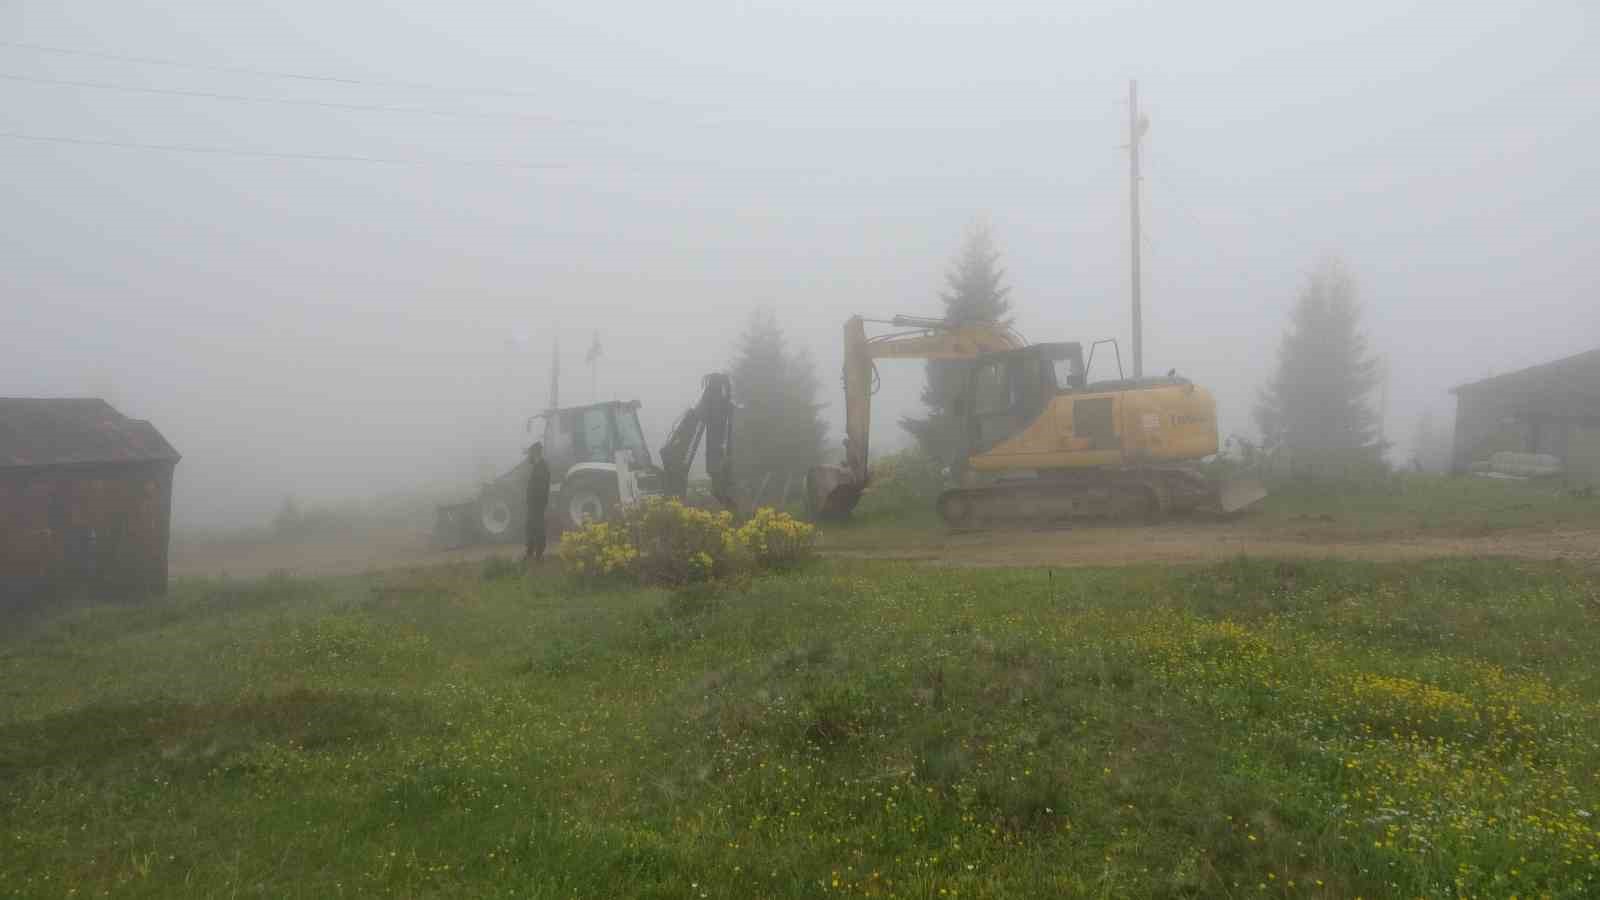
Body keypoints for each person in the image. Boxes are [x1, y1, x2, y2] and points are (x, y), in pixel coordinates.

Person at [523, 442, 551, 563]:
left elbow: (540, 489)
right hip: (535, 505)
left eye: (529, 453)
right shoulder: (538, 467)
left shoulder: (541, 468)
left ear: (535, 453)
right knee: (531, 527)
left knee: (537, 528)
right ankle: (531, 553)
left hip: (536, 505)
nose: (528, 456)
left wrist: (533, 502)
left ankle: (538, 555)